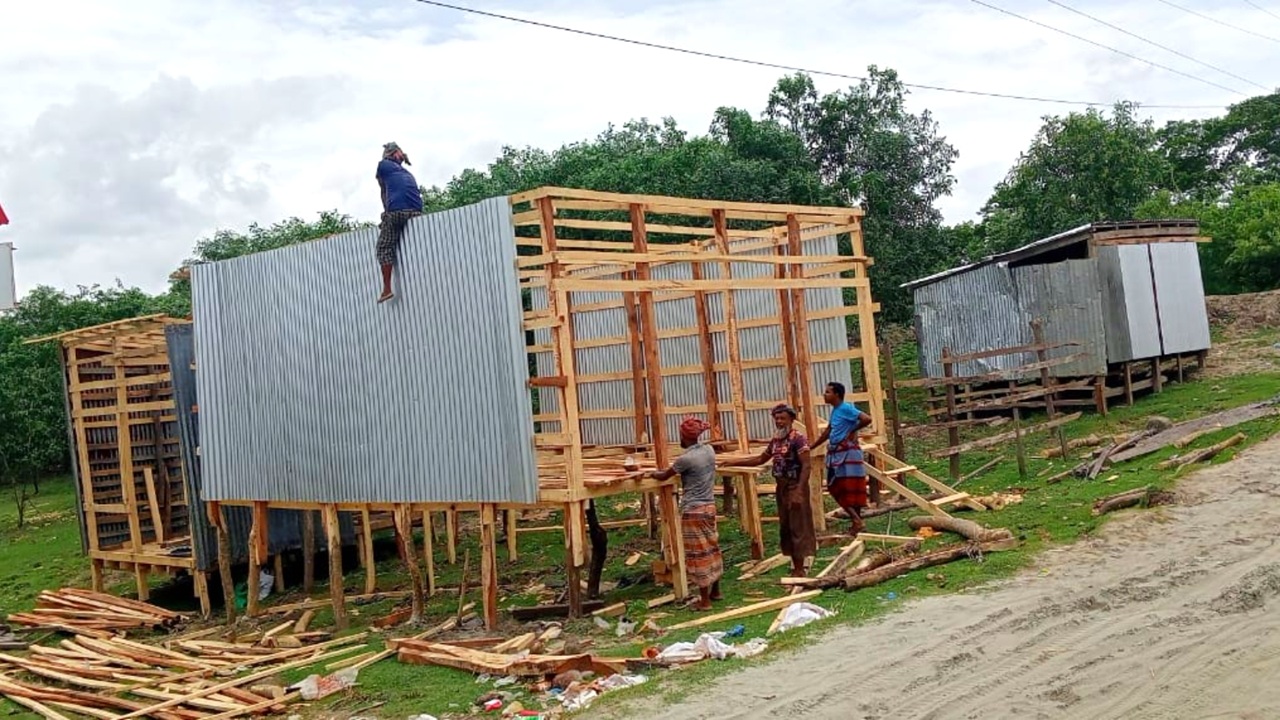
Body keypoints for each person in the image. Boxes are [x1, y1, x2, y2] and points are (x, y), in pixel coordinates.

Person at [722, 403, 816, 577]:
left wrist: (799, 491)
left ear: (791, 420)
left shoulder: (798, 439)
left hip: (795, 484)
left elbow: (807, 466)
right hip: (781, 486)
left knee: (798, 525)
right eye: (776, 418)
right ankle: (795, 564)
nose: (779, 422)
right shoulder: (776, 440)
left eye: (783, 418)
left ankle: (800, 568)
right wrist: (733, 463)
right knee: (786, 525)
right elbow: (760, 459)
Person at [648, 417, 723, 610]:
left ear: (684, 437)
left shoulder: (685, 459)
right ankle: (716, 591)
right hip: (709, 506)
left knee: (698, 554)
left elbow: (664, 475)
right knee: (712, 547)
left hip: (693, 510)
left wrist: (651, 474)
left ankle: (704, 601)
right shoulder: (709, 450)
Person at [811, 381, 874, 536]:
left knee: (843, 487)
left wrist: (852, 430)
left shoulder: (845, 408)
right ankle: (857, 522)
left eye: (827, 392)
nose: (824, 395)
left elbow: (866, 419)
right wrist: (812, 446)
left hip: (847, 453)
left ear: (836, 394)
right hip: (838, 453)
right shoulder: (836, 411)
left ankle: (857, 520)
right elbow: (828, 431)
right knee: (845, 487)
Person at [374, 142, 423, 303]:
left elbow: (384, 193)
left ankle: (387, 289)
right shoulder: (406, 173)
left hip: (398, 213)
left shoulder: (383, 166)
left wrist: (386, 215)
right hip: (416, 212)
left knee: (383, 248)